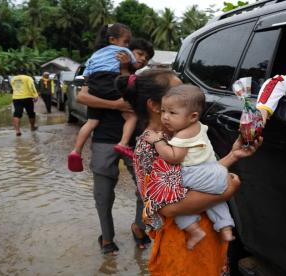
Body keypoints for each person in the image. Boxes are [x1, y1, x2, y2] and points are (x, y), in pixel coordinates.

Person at [116, 69, 262, 275]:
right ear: (156, 106)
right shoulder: (150, 147)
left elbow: (202, 173)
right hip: (182, 246)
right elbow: (167, 208)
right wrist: (226, 192)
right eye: (178, 90)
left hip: (205, 239)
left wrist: (233, 156)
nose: (187, 94)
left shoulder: (184, 134)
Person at [75, 38, 154, 254]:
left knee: (145, 187)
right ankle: (107, 238)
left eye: (146, 58)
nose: (143, 59)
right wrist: (116, 104)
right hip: (104, 139)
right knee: (104, 194)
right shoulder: (97, 70)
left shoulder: (140, 81)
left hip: (136, 141)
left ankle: (139, 226)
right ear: (124, 50)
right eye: (139, 53)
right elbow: (82, 96)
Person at [143, 84, 235, 250]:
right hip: (213, 171)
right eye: (163, 111)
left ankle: (194, 230)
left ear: (193, 116)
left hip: (192, 173)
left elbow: (174, 157)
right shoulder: (198, 126)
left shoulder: (183, 134)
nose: (165, 117)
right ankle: (226, 226)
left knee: (172, 196)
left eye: (172, 113)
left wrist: (158, 142)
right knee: (215, 200)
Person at [67, 23, 138, 172]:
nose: (127, 45)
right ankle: (123, 144)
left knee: (91, 122)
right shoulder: (123, 52)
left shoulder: (95, 55)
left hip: (95, 84)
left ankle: (76, 151)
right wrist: (129, 64)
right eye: (126, 41)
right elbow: (134, 64)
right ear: (112, 39)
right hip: (111, 82)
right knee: (131, 116)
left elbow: (87, 73)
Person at [10, 69, 39, 136]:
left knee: (17, 113)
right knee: (31, 113)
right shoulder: (28, 78)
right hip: (27, 97)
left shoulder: (13, 79)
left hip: (16, 98)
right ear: (26, 73)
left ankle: (17, 130)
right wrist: (35, 95)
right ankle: (32, 127)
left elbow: (13, 87)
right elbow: (31, 87)